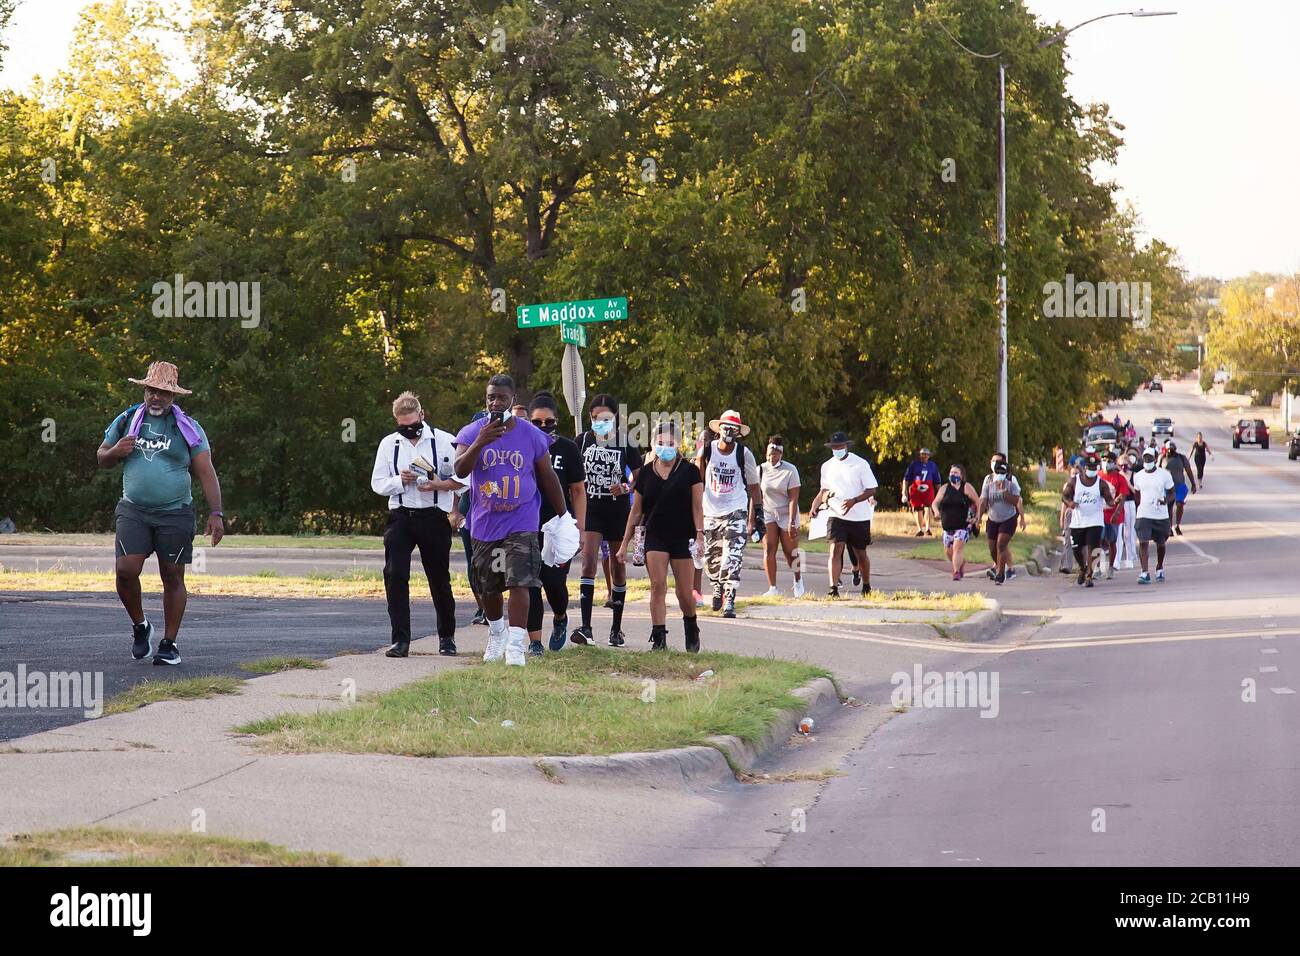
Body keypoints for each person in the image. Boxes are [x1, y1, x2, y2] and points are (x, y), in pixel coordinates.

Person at [97, 361, 222, 666]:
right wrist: (116, 452)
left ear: (173, 397)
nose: (156, 397)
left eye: (163, 393)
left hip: (175, 513)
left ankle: (169, 644)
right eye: (152, 390)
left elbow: (206, 472)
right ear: (145, 390)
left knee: (172, 576)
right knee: (126, 571)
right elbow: (102, 457)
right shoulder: (127, 419)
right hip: (133, 510)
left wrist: (216, 513)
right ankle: (141, 626)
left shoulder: (188, 428)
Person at [453, 374, 569, 666]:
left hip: (522, 520)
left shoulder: (530, 434)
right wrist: (480, 441)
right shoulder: (471, 432)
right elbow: (460, 470)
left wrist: (563, 516)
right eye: (491, 397)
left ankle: (517, 645)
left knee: (521, 581)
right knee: (489, 587)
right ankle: (497, 633)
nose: (495, 402)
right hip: (486, 523)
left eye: (502, 397)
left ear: (512, 400)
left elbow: (547, 475)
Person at [371, 391, 469, 658]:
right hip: (401, 516)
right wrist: (398, 481)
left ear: (422, 416)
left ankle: (447, 638)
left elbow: (465, 479)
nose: (410, 431)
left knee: (439, 579)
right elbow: (377, 483)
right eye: (403, 427)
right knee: (395, 575)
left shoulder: (446, 441)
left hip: (433, 516)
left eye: (413, 426)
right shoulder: (389, 444)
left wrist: (438, 484)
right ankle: (400, 640)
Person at [618, 422, 705, 651]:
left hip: (682, 536)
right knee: (658, 586)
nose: (665, 447)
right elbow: (636, 511)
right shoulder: (646, 473)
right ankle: (659, 637)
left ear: (678, 445)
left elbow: (697, 508)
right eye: (660, 443)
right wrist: (624, 543)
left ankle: (691, 626)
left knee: (684, 592)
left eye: (670, 443)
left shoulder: (690, 472)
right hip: (654, 536)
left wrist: (700, 534)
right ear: (653, 444)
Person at [573, 393, 642, 645]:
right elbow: (573, 475)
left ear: (615, 418)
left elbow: (638, 477)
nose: (599, 422)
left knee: (617, 565)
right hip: (591, 507)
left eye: (604, 418)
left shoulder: (625, 442)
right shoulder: (583, 441)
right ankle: (586, 627)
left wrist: (625, 487)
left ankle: (616, 629)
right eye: (594, 418)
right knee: (588, 562)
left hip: (617, 509)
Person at [527, 391, 587, 653]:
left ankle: (561, 617)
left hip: (558, 524)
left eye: (548, 421)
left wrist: (580, 528)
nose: (543, 427)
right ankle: (535, 642)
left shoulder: (567, 448)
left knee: (553, 582)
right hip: (526, 523)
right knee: (529, 583)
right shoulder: (522, 446)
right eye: (537, 422)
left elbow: (578, 491)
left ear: (556, 420)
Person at [698, 409, 762, 618]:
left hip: (736, 510)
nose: (729, 432)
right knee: (711, 559)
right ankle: (716, 585)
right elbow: (697, 479)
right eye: (726, 428)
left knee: (732, 557)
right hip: (710, 511)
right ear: (719, 430)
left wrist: (758, 514)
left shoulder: (744, 454)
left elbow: (753, 486)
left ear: (738, 433)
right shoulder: (708, 451)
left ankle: (730, 599)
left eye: (733, 429)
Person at [809, 431, 877, 597]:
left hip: (859, 516)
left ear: (846, 446)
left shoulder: (860, 464)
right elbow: (823, 490)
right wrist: (814, 506)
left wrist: (854, 500)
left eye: (840, 446)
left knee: (860, 553)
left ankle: (866, 585)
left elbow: (871, 490)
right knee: (835, 549)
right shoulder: (827, 466)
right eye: (834, 447)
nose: (837, 449)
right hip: (836, 514)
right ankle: (833, 588)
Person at [1061, 452, 1115, 588]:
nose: (1092, 471)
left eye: (1094, 468)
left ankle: (1089, 575)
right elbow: (1065, 496)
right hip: (1078, 521)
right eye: (1089, 468)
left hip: (1095, 521)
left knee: (1093, 548)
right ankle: (1083, 567)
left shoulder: (1101, 484)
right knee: (1076, 549)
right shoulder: (1074, 481)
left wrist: (1113, 502)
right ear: (1084, 468)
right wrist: (1070, 503)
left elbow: (1109, 499)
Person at [759, 435, 804, 597]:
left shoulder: (790, 470)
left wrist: (792, 522)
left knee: (790, 551)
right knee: (769, 548)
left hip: (787, 513)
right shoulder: (761, 469)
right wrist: (752, 519)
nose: (772, 457)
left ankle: (798, 580)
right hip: (768, 512)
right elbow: (756, 496)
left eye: (776, 453)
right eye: (770, 453)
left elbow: (793, 497)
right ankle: (773, 588)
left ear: (781, 454)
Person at [1132, 447, 1175, 584]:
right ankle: (1144, 572)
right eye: (1145, 458)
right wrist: (1142, 506)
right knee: (1143, 542)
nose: (1147, 461)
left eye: (1150, 458)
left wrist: (1165, 501)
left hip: (1160, 515)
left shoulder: (1164, 475)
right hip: (1144, 513)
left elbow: (1172, 493)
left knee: (1161, 543)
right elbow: (1137, 495)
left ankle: (1159, 567)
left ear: (1155, 459)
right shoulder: (1138, 476)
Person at [978, 452, 1021, 585]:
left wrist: (1004, 491)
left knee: (1001, 544)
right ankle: (999, 566)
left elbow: (1016, 501)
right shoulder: (988, 483)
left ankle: (1000, 575)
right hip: (993, 518)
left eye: (1002, 472)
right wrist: (978, 517)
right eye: (998, 472)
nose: (1000, 475)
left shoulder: (1011, 484)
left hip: (1008, 518)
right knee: (992, 548)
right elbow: (983, 501)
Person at [933, 463, 980, 580]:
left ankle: (956, 572)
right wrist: (936, 512)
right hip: (947, 525)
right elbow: (935, 502)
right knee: (949, 552)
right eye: (951, 473)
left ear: (961, 475)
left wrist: (977, 518)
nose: (953, 475)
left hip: (963, 524)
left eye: (956, 473)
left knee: (957, 548)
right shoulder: (944, 488)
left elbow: (978, 502)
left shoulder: (966, 487)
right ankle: (960, 563)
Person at [690, 425, 717, 604]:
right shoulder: (693, 463)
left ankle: (719, 591)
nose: (704, 443)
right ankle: (696, 592)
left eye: (706, 440)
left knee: (715, 555)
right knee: (696, 556)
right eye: (701, 440)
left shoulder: (718, 462)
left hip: (716, 513)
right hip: (697, 513)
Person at [1098, 452, 1131, 580]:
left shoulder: (1119, 478)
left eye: (1109, 460)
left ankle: (1110, 567)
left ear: (1114, 462)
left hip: (1113, 515)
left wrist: (1117, 512)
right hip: (1099, 514)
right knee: (1098, 541)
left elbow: (1122, 497)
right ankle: (1097, 567)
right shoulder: (1098, 476)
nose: (1106, 463)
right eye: (1104, 460)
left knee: (1111, 541)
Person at [1159, 440, 1197, 534]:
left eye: (1172, 450)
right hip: (1167, 487)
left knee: (1180, 504)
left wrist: (1193, 484)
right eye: (1168, 450)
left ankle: (1177, 525)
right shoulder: (1162, 458)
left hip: (1179, 485)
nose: (1170, 452)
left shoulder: (1181, 458)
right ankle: (1169, 528)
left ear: (1175, 449)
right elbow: (1157, 472)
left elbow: (1188, 470)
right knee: (1169, 507)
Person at [902, 448, 940, 537]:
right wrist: (904, 491)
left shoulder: (932, 465)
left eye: (926, 454)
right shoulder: (914, 465)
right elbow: (906, 479)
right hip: (916, 488)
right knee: (917, 508)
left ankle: (927, 528)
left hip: (928, 488)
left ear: (929, 456)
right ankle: (920, 529)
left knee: (928, 507)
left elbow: (937, 481)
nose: (924, 456)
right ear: (919, 455)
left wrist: (940, 493)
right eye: (922, 454)